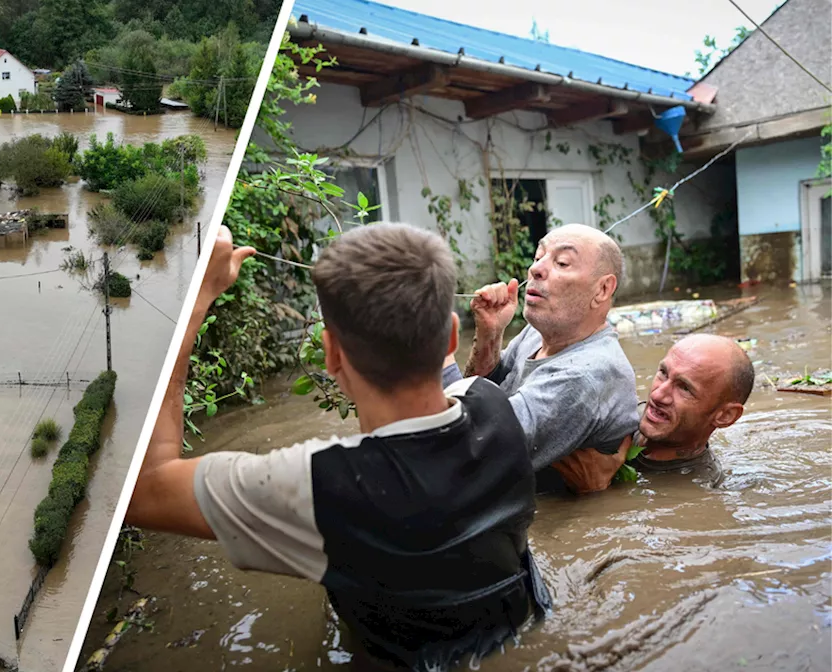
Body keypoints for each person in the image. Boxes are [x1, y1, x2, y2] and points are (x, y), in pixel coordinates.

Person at [127, 224, 549, 671]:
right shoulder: (496, 405)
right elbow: (457, 385)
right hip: (523, 627)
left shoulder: (316, 484)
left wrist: (193, 298)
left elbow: (144, 486)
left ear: (330, 355)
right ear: (449, 336)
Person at [443, 224, 639, 494]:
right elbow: (485, 393)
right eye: (538, 257)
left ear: (603, 289)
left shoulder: (585, 375)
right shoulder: (538, 333)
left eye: (562, 262)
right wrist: (490, 336)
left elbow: (466, 451)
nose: (535, 270)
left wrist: (438, 354)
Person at [628, 334, 754, 485]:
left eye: (684, 388)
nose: (657, 395)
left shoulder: (698, 490)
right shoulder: (618, 415)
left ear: (725, 416)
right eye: (663, 373)